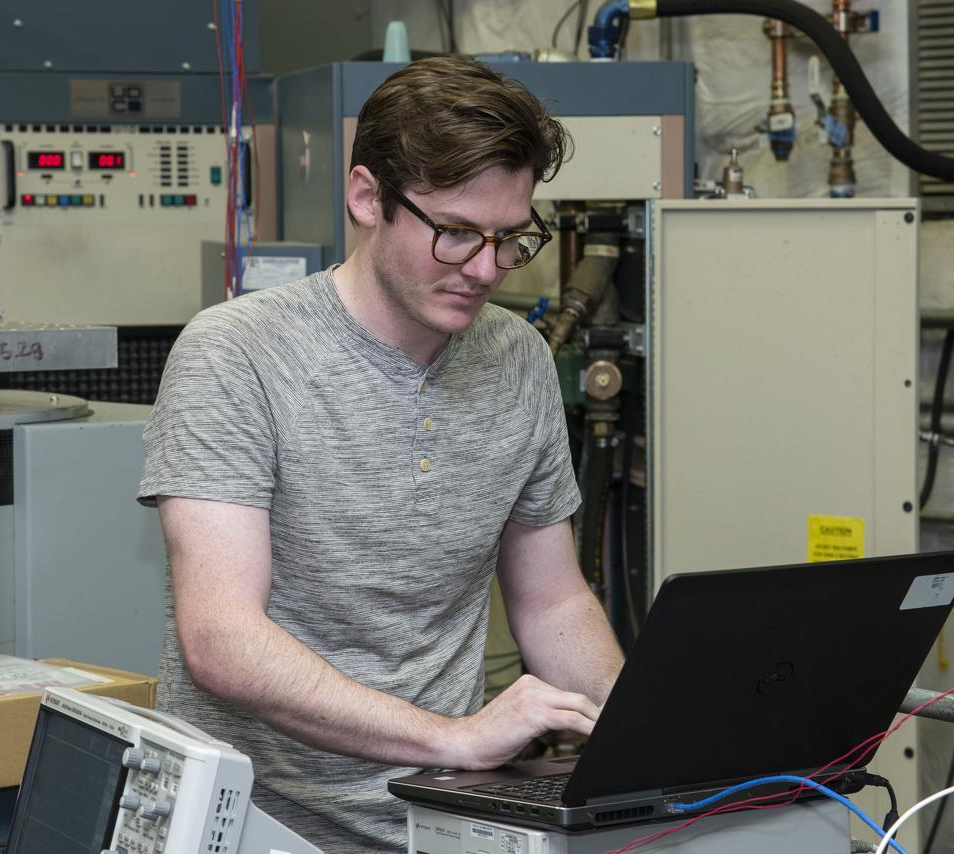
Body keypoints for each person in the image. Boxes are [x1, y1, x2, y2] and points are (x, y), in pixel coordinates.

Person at [138, 56, 624, 852]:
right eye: (457, 233)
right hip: (257, 824)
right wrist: (452, 739)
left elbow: (551, 601)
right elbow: (221, 639)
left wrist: (641, 728)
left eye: (511, 239)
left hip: (437, 820)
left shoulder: (519, 359)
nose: (485, 268)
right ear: (368, 197)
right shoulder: (238, 355)